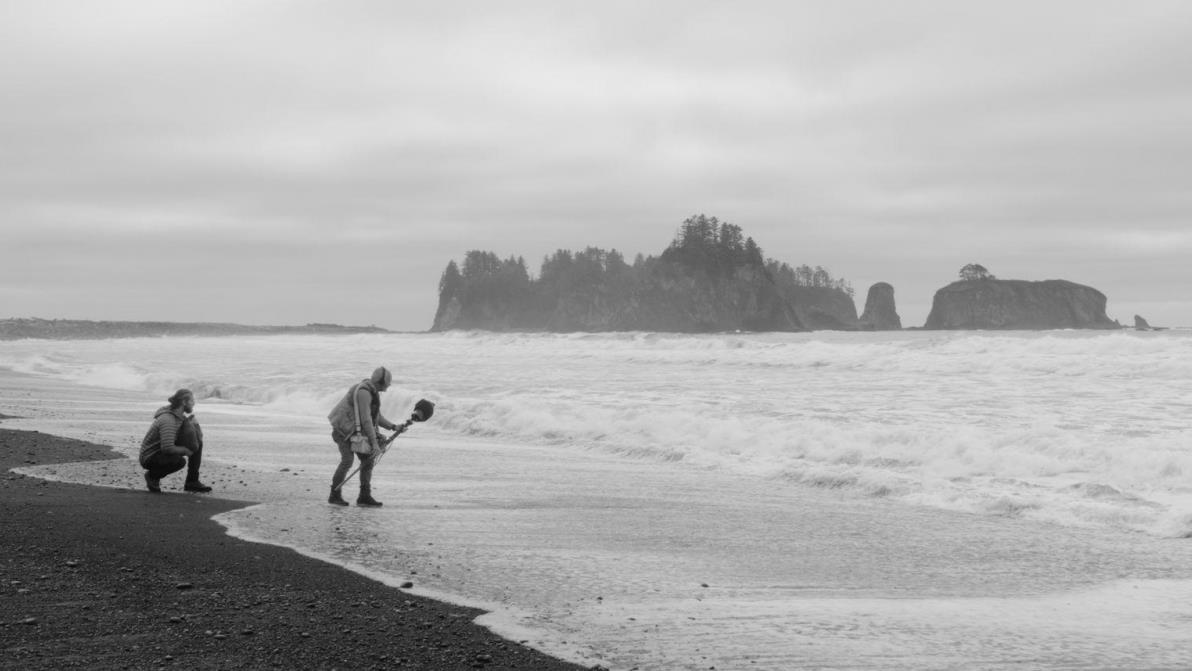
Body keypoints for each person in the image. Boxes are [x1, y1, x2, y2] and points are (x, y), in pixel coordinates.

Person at [327, 366, 403, 507]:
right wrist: (374, 444)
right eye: (387, 383)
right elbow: (366, 420)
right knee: (347, 461)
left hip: (355, 432)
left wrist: (393, 427)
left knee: (368, 461)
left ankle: (364, 496)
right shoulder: (364, 393)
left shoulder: (372, 391)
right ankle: (334, 495)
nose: (388, 386)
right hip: (342, 431)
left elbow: (376, 416)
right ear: (381, 382)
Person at [139, 388, 212, 493]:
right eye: (191, 400)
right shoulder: (168, 419)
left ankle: (192, 482)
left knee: (197, 442)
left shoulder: (179, 416)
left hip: (161, 452)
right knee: (178, 461)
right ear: (184, 402)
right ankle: (152, 476)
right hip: (150, 457)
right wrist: (186, 451)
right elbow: (167, 448)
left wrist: (194, 429)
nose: (194, 403)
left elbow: (191, 441)